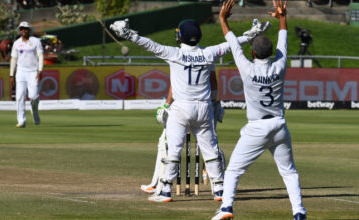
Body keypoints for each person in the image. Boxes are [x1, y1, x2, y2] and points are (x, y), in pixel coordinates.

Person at [111, 18, 269, 203]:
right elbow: (229, 45)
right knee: (210, 150)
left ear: (181, 37)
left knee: (174, 150)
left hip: (181, 108)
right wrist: (251, 34)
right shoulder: (209, 53)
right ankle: (219, 189)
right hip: (204, 108)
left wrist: (128, 34)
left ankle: (165, 191)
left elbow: (150, 45)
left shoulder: (173, 53)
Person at [212, 0, 307, 220]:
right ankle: (299, 211)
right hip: (279, 126)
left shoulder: (246, 67)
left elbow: (233, 43)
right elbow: (284, 42)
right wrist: (283, 17)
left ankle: (226, 208)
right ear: (271, 53)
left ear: (253, 54)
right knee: (289, 172)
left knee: (234, 171)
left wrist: (222, 19)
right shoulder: (279, 65)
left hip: (256, 128)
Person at [10, 21, 44, 128]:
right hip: (20, 72)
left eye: (25, 28)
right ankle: (21, 120)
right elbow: (14, 59)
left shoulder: (36, 41)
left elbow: (41, 56)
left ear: (29, 30)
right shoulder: (16, 43)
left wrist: (40, 71)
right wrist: (11, 75)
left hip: (33, 71)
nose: (23, 30)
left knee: (33, 96)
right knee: (20, 96)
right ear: (20, 31)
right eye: (21, 29)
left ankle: (34, 112)